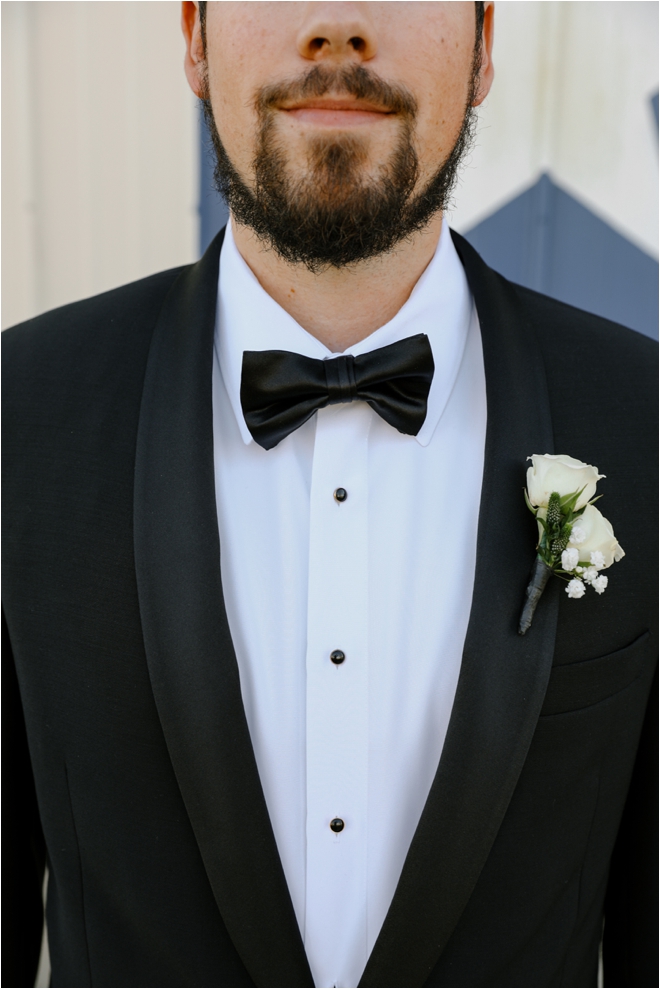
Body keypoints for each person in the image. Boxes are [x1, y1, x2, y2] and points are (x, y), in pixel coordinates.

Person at [2, 3, 656, 987]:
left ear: (483, 46)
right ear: (194, 35)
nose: (341, 24)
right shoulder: (19, 415)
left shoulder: (644, 420)